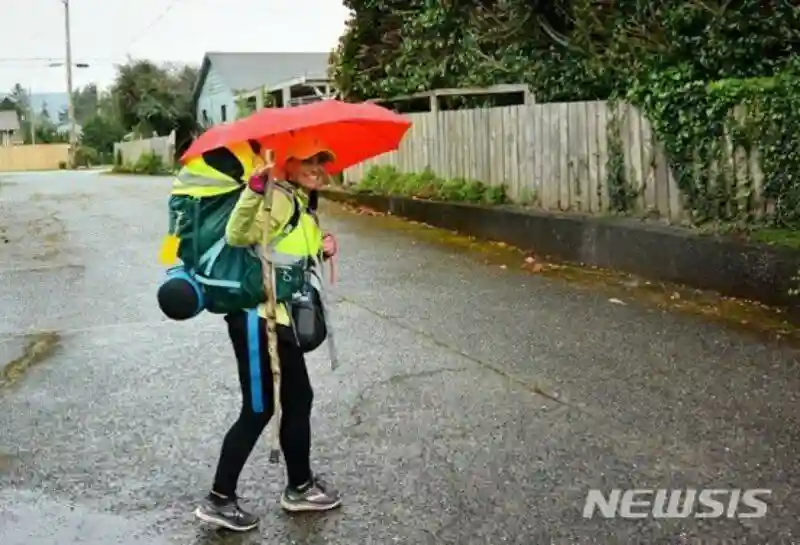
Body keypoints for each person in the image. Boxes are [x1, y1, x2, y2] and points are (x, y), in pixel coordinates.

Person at [194, 139, 340, 532]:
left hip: (278, 317)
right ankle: (219, 500)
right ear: (287, 165)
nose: (317, 169)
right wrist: (255, 190)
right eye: (308, 161)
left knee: (298, 398)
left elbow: (281, 251)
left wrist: (320, 249)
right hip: (257, 320)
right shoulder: (276, 196)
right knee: (259, 408)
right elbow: (239, 234)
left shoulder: (296, 199)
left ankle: (300, 485)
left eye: (321, 162)